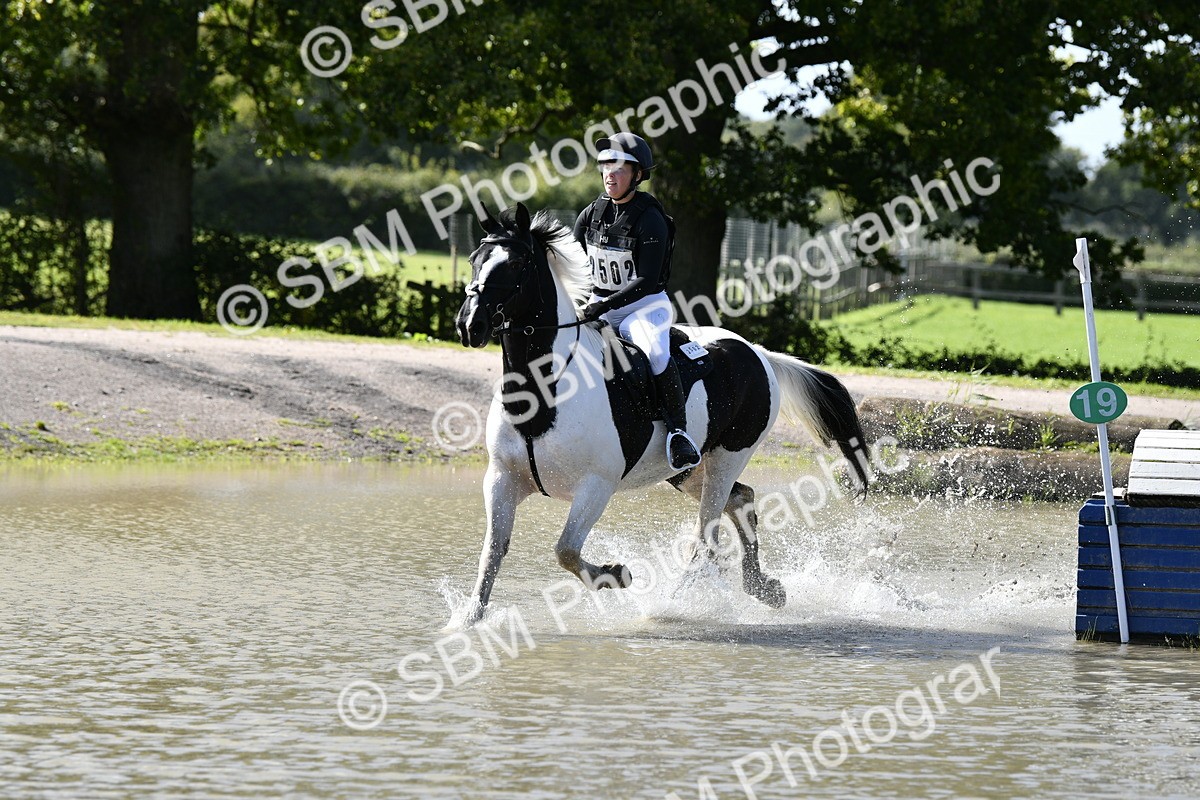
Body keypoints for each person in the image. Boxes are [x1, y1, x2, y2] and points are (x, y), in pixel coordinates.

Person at [573, 132, 702, 471]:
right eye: (605, 167)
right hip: (597, 303)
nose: (610, 175)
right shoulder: (591, 214)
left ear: (638, 175)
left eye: (619, 168)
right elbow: (572, 263)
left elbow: (645, 280)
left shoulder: (650, 218)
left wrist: (603, 305)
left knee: (656, 352)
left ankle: (678, 432)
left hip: (643, 308)